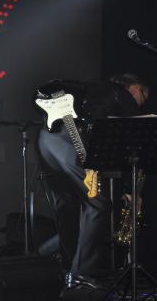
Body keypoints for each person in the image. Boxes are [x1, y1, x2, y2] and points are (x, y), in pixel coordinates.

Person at [37, 73, 148, 286]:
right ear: (135, 88)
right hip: (70, 141)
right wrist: (131, 189)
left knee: (68, 206)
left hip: (47, 138)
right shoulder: (123, 96)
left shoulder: (91, 87)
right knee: (99, 205)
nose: (141, 104)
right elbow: (132, 143)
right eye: (143, 97)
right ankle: (82, 273)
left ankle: (51, 259)